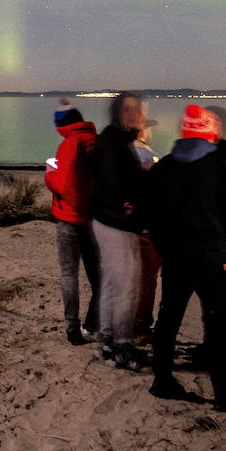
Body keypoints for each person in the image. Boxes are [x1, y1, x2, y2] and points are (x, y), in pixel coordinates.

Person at [147, 106, 226, 411]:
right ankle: (223, 393)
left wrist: (164, 247)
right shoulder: (220, 165)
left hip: (176, 259)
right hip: (214, 259)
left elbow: (150, 216)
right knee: (220, 323)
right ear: (209, 132)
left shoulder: (164, 167)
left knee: (168, 319)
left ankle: (162, 380)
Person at [88, 92, 148, 370]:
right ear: (116, 113)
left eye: (136, 110)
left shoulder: (114, 140)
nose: (134, 115)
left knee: (112, 283)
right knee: (126, 286)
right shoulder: (114, 144)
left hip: (105, 220)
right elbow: (118, 185)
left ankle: (108, 340)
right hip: (117, 223)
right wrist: (135, 203)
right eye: (127, 110)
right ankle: (122, 346)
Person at [44, 100, 99, 346]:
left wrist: (49, 172)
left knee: (69, 275)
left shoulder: (69, 144)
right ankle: (94, 322)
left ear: (62, 125)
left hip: (70, 219)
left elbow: (62, 184)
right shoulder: (97, 142)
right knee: (98, 275)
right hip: (95, 219)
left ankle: (73, 329)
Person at [132, 110, 162, 342]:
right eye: (148, 127)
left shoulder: (111, 154)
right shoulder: (148, 158)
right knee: (146, 279)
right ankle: (140, 326)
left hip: (114, 225)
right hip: (143, 226)